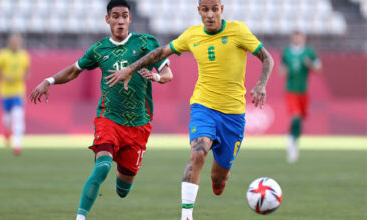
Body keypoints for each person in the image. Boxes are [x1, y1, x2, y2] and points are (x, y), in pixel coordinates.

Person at [105, 0, 274, 219]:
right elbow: (160, 53)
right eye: (206, 9)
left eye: (215, 9)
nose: (211, 14)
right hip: (203, 107)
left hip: (233, 116)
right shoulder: (191, 36)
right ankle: (186, 215)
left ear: (221, 10)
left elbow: (267, 58)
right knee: (198, 152)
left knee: (219, 178)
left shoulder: (238, 31)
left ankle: (218, 182)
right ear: (199, 11)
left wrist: (261, 84)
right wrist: (131, 67)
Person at [29, 1, 173, 219]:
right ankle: (80, 217)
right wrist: (49, 80)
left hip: (138, 125)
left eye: (124, 15)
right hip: (108, 119)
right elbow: (74, 70)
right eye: (115, 16)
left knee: (123, 191)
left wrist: (156, 77)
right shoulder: (99, 50)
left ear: (130, 19)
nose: (120, 20)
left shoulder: (146, 43)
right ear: (108, 19)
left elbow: (168, 74)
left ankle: (123, 177)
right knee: (102, 166)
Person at [279, 31, 323, 163]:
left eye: (300, 37)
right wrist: (284, 70)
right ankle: (291, 141)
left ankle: (294, 140)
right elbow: (282, 70)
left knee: (300, 119)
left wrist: (309, 64)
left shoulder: (309, 52)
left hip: (303, 91)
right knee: (296, 116)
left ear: (304, 38)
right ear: (292, 38)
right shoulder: (286, 52)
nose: (298, 39)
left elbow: (319, 69)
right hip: (291, 90)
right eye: (295, 36)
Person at [0, 33, 30, 155]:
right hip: (5, 91)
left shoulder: (24, 55)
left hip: (18, 91)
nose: (15, 44)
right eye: (13, 41)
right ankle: (7, 130)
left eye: (17, 41)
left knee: (18, 116)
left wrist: (22, 76)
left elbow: (28, 72)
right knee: (8, 117)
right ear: (9, 42)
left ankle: (17, 144)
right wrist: (4, 76)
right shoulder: (2, 54)